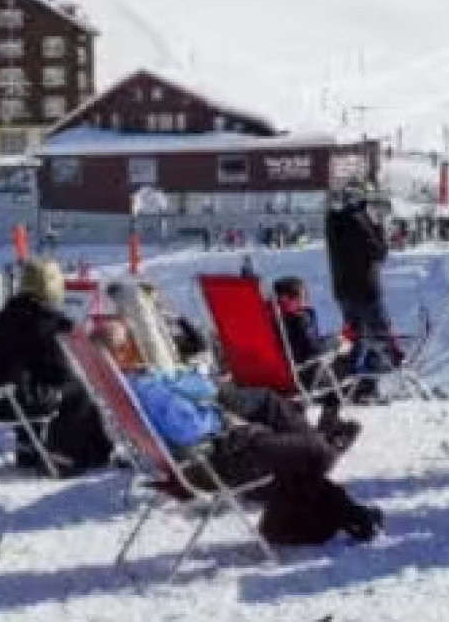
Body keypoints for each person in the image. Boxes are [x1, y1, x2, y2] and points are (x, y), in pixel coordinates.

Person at [92, 318, 380, 545]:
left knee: (301, 459)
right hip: (219, 459)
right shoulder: (146, 389)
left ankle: (349, 515)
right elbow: (190, 428)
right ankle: (292, 522)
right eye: (132, 342)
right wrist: (213, 413)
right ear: (123, 350)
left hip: (210, 458)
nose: (137, 345)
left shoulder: (125, 387)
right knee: (319, 453)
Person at [0, 259, 109, 474]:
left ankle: (28, 449)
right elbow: (57, 369)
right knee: (77, 391)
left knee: (31, 382)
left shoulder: (13, 312)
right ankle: (68, 455)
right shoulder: (41, 320)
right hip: (4, 399)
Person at [325, 185, 402, 376]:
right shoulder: (358, 222)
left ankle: (344, 366)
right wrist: (378, 226)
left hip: (342, 290)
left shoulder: (331, 220)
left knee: (351, 331)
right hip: (366, 290)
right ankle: (395, 361)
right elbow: (380, 252)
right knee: (381, 330)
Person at [271, 276, 378, 405]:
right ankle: (365, 387)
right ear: (286, 299)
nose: (306, 301)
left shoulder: (265, 321)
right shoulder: (299, 319)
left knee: (341, 345)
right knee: (349, 346)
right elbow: (314, 349)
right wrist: (337, 339)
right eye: (303, 297)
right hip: (306, 376)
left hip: (277, 378)